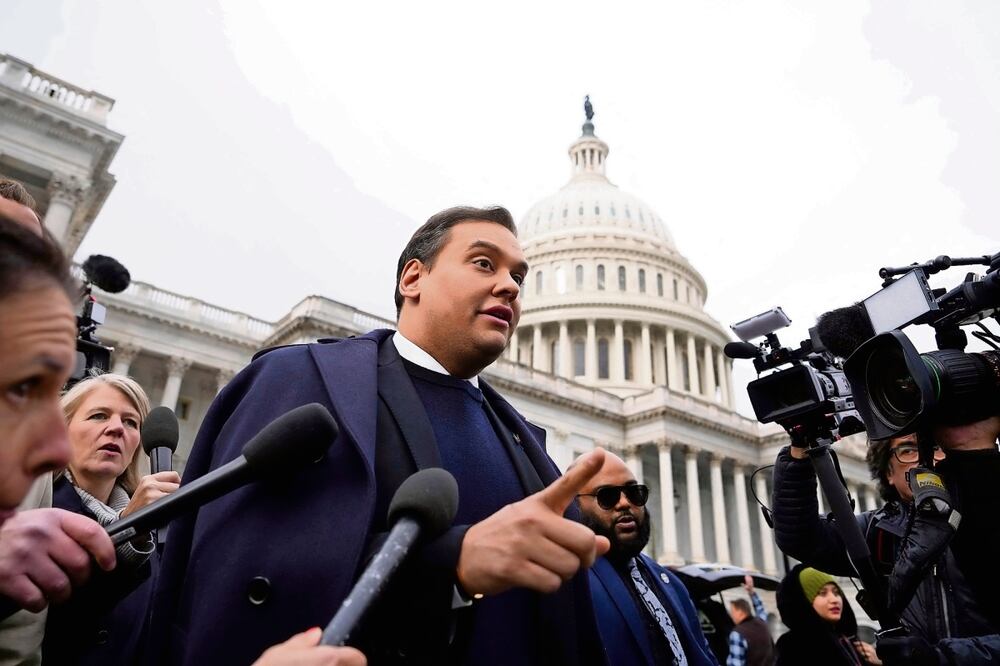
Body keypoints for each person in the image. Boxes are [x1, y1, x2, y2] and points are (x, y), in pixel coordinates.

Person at [149, 206, 610, 665]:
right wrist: (450, 564)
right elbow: (238, 567)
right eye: (484, 263)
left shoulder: (525, 445)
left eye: (518, 276)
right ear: (413, 278)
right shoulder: (302, 380)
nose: (509, 286)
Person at [771, 423, 1000, 664]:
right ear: (888, 473)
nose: (924, 461)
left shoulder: (989, 518)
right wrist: (799, 449)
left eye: (935, 447)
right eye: (908, 450)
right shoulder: (877, 531)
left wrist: (942, 658)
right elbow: (801, 537)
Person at [38, 373, 178, 664]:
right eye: (99, 416)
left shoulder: (153, 537)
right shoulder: (32, 511)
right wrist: (128, 530)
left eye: (131, 422)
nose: (116, 429)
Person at [575, 450, 718, 665]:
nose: (624, 503)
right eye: (607, 495)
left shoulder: (672, 584)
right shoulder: (572, 582)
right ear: (574, 505)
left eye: (634, 492)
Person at [775, 565, 879, 666]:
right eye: (822, 593)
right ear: (804, 601)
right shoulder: (794, 646)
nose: (834, 599)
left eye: (836, 592)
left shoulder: (845, 638)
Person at [727, 575, 774, 666]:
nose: (731, 615)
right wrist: (751, 592)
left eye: (732, 611)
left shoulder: (737, 634)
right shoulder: (762, 623)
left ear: (740, 612)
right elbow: (760, 609)